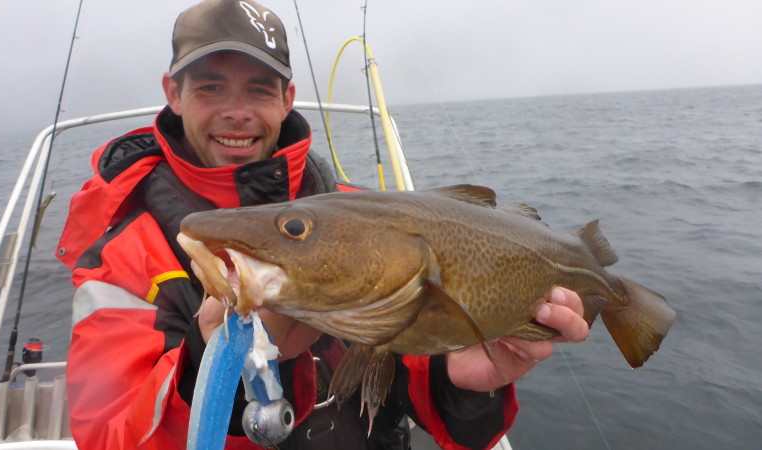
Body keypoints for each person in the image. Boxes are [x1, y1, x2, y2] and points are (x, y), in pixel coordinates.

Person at [56, 0, 589, 448]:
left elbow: (447, 416)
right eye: (210, 87)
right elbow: (108, 434)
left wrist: (469, 387)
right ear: (173, 93)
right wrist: (218, 365)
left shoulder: (361, 217)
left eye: (260, 90)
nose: (237, 112)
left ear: (288, 98)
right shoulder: (121, 260)